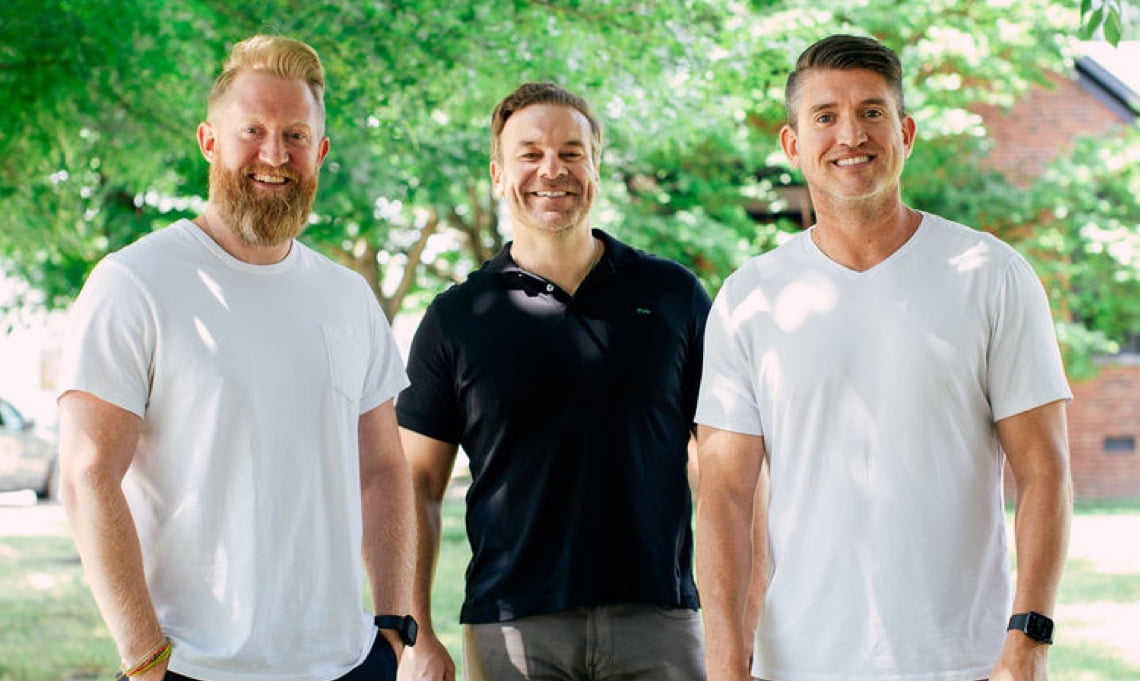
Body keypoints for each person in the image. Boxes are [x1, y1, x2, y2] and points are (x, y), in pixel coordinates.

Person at [695, 34, 1073, 681]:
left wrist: (1029, 640)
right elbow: (725, 493)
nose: (851, 135)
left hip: (965, 663)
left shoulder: (990, 275)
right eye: (826, 116)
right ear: (792, 145)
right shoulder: (749, 298)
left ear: (906, 133)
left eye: (872, 112)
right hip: (801, 664)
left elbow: (1045, 471)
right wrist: (728, 663)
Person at [57, 35, 417, 681]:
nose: (275, 154)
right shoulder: (134, 282)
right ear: (209, 140)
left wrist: (392, 627)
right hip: (192, 666)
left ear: (321, 152)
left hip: (344, 664)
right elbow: (88, 475)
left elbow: (383, 468)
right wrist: (144, 657)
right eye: (252, 129)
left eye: (297, 135)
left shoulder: (347, 296)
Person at [396, 82, 711, 681]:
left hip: (660, 621)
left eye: (571, 152)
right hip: (510, 627)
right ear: (498, 172)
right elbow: (415, 486)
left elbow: (724, 468)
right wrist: (418, 631)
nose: (552, 170)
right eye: (530, 153)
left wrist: (738, 610)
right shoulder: (456, 318)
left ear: (596, 166)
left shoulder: (672, 297)